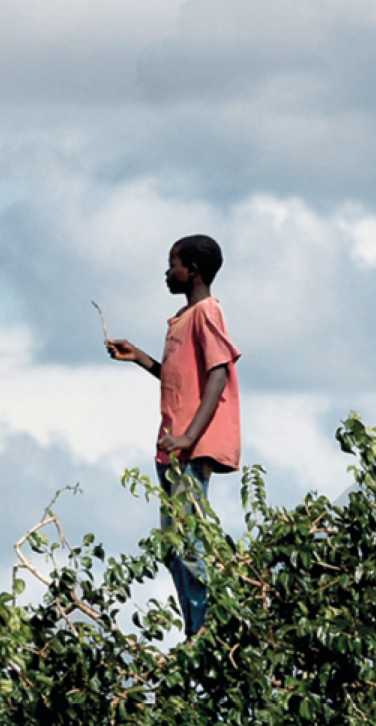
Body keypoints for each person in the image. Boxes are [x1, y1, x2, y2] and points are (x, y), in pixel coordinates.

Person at [105, 235, 242, 636]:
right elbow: (181, 378)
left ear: (193, 271)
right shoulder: (184, 318)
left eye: (173, 265)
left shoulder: (207, 312)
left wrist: (188, 437)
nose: (168, 273)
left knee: (190, 544)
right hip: (171, 452)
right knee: (172, 549)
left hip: (188, 450)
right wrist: (140, 358)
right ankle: (192, 630)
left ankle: (207, 629)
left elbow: (218, 374)